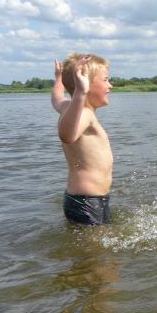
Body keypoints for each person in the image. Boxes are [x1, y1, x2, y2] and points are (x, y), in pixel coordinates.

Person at [51, 53, 114, 225]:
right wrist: (80, 92)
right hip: (88, 201)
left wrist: (58, 78)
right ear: (85, 84)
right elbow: (67, 136)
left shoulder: (67, 107)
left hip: (84, 199)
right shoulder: (85, 114)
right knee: (97, 243)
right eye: (106, 80)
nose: (110, 85)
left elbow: (57, 98)